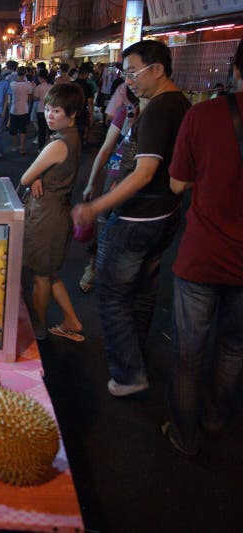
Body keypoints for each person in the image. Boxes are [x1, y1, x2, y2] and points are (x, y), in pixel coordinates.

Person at [72, 40, 191, 397]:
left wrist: (95, 206)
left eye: (133, 72)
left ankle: (127, 373)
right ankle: (136, 357)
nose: (128, 81)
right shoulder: (179, 104)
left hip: (137, 219)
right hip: (165, 215)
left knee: (111, 294)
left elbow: (143, 173)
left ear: (157, 69)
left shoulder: (158, 110)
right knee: (141, 292)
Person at [161, 38, 243, 456]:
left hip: (204, 254)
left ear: (235, 69)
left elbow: (177, 183)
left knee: (189, 349)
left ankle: (184, 434)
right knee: (233, 347)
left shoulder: (206, 115)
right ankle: (215, 418)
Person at [19, 84, 85, 342]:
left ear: (72, 114)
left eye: (56, 110)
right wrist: (41, 177)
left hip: (46, 216)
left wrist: (36, 177)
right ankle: (72, 320)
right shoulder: (73, 136)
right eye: (47, 109)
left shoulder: (58, 144)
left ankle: (37, 329)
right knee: (47, 271)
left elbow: (25, 177)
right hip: (57, 211)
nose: (49, 115)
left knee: (41, 276)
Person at [79, 87, 144, 294]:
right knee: (104, 222)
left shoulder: (160, 115)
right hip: (116, 175)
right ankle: (93, 267)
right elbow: (106, 149)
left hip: (143, 183)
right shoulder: (125, 113)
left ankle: (120, 277)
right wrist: (91, 182)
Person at [8, 66, 33, 155]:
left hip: (14, 109)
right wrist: (29, 107)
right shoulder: (28, 84)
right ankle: (22, 147)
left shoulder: (12, 84)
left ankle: (15, 146)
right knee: (23, 129)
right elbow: (30, 98)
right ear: (25, 73)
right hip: (24, 109)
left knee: (13, 130)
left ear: (17, 73)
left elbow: (10, 98)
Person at [72, 63, 96, 143]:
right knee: (80, 137)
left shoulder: (71, 84)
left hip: (71, 113)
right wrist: (91, 116)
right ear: (86, 74)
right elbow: (90, 103)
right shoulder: (88, 86)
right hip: (82, 114)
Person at [33, 70, 53, 150]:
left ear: (40, 78)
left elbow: (35, 98)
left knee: (42, 130)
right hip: (50, 110)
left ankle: (41, 147)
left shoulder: (39, 87)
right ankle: (52, 147)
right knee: (51, 130)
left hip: (41, 109)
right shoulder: (52, 86)